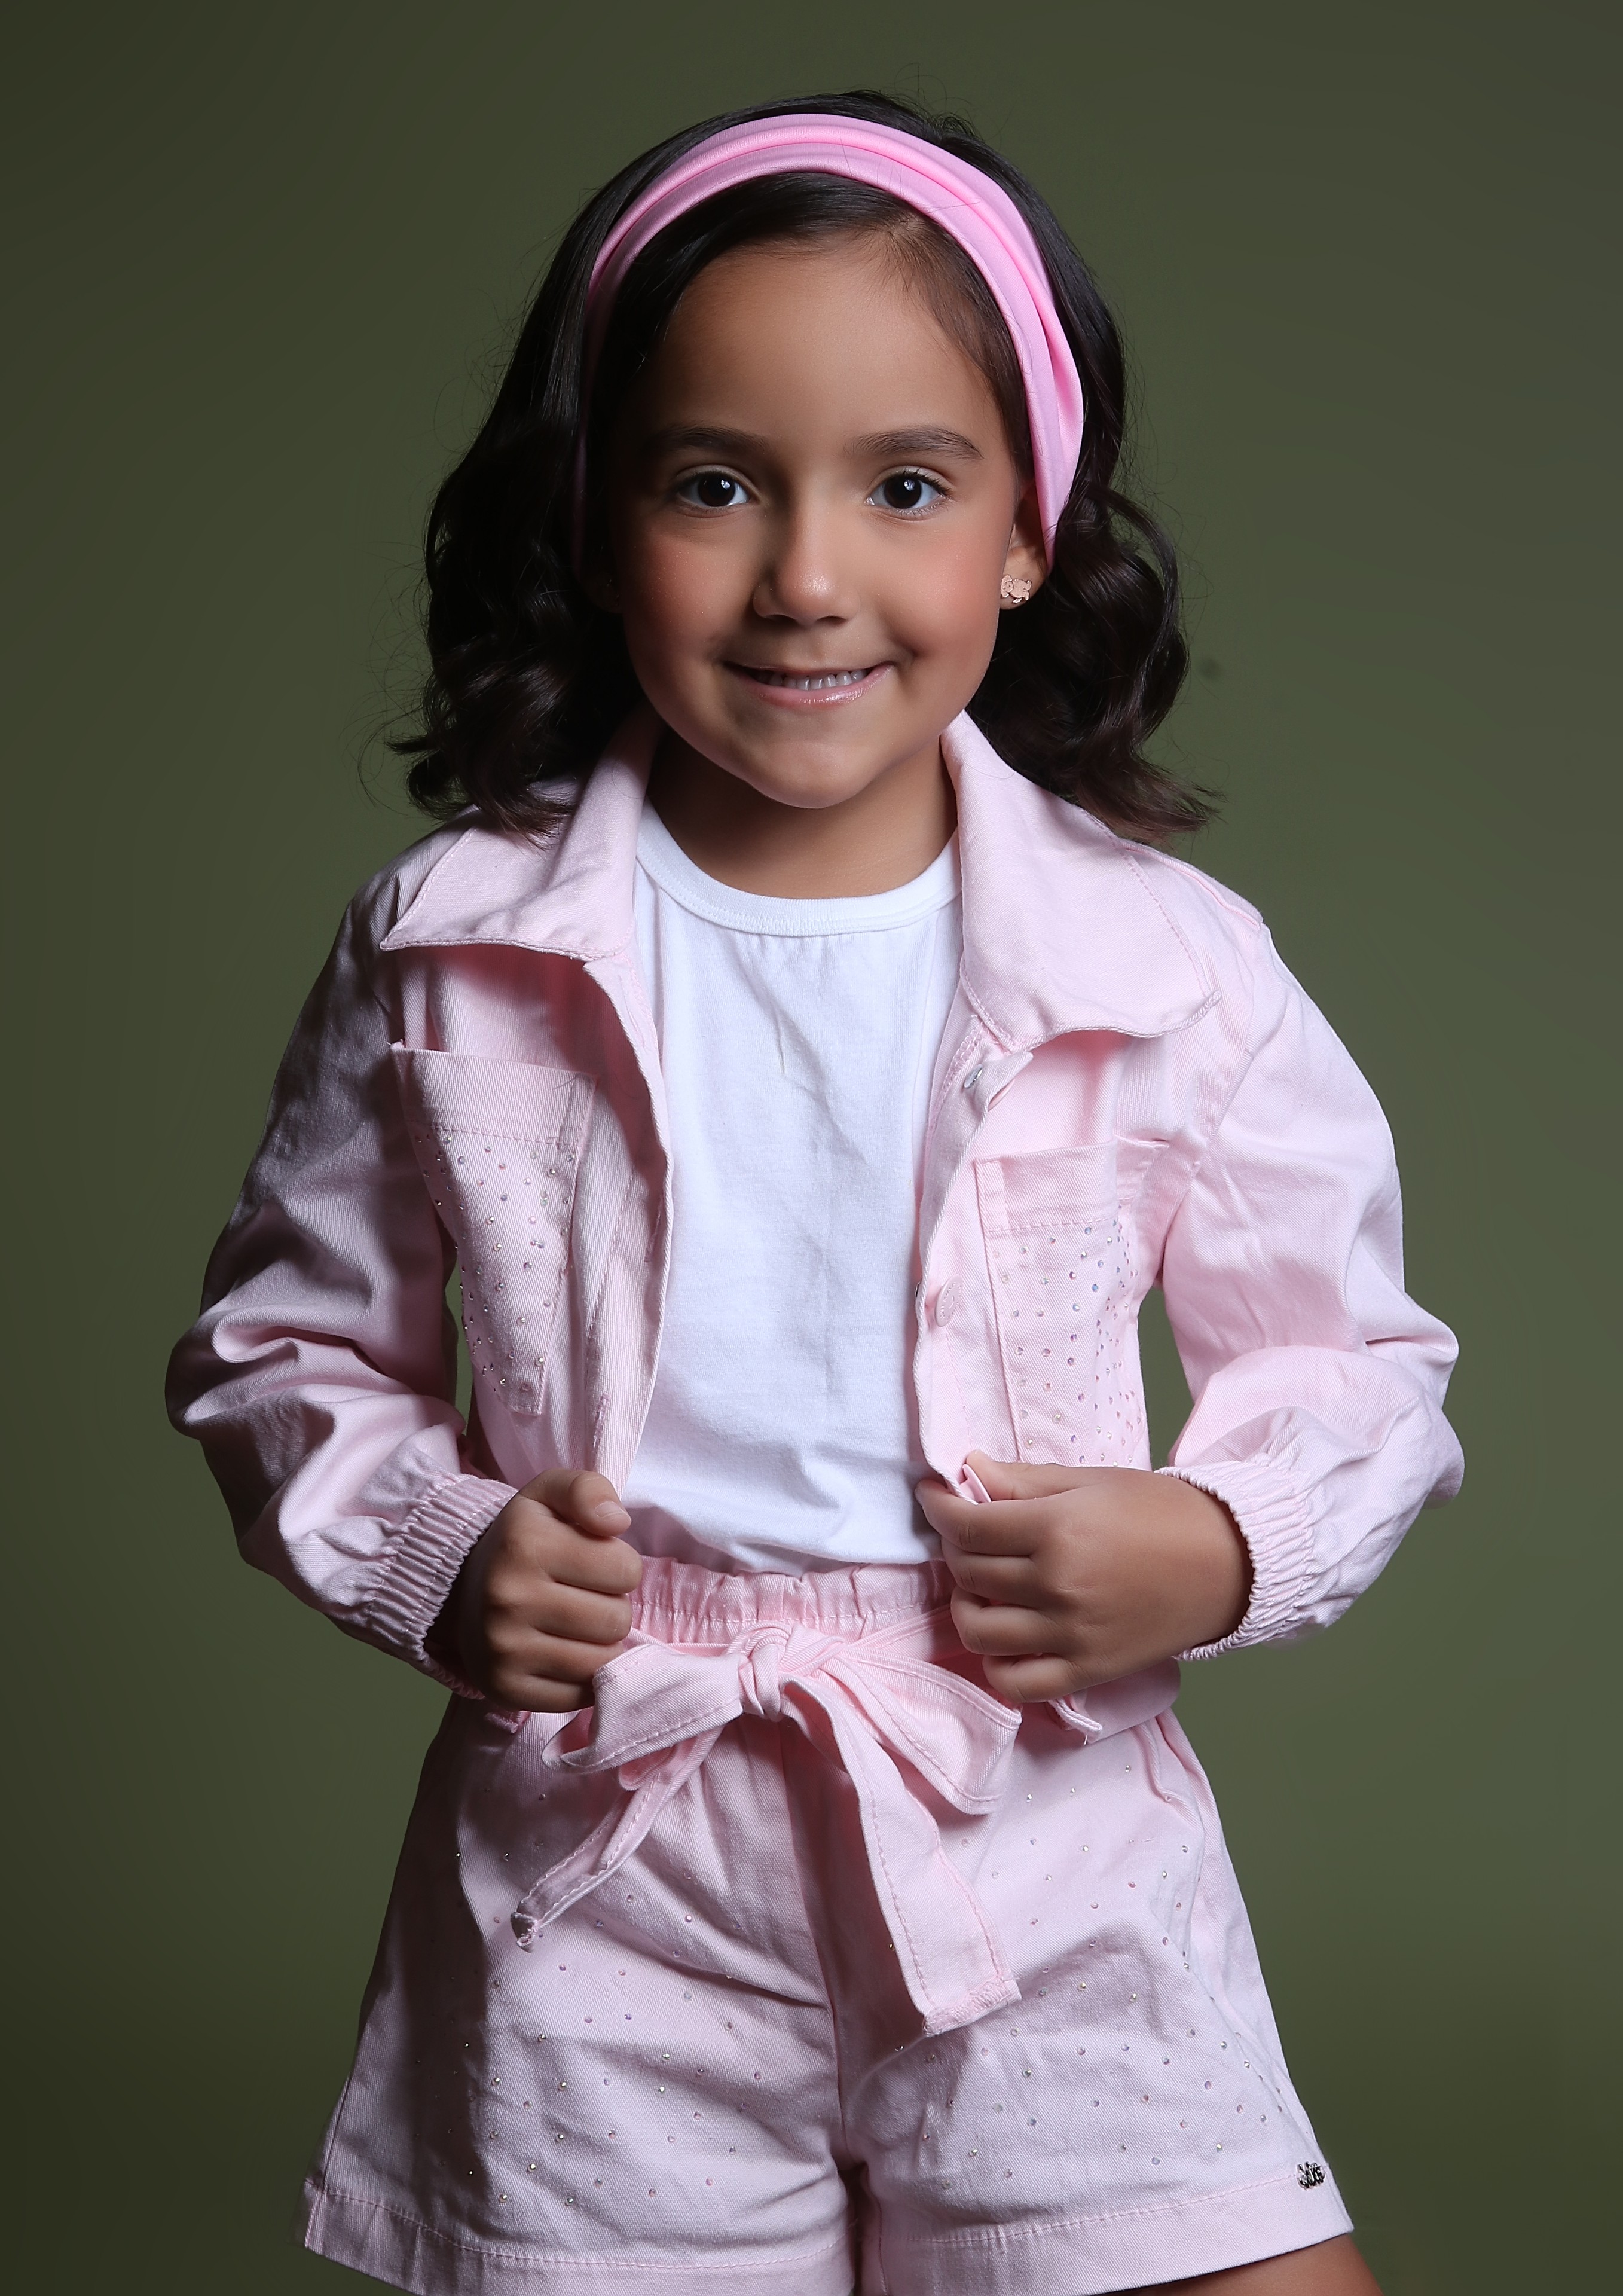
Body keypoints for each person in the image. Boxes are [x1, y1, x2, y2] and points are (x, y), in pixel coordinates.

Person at [167, 91, 1463, 2296]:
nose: (805, 576)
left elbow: (1354, 1362)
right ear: (593, 522)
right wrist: (432, 1555)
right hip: (601, 1858)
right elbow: (281, 1348)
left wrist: (1225, 1540)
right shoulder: (453, 941)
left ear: (1029, 533)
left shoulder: (1167, 961)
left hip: (1034, 1822)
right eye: (711, 484)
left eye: (906, 486)